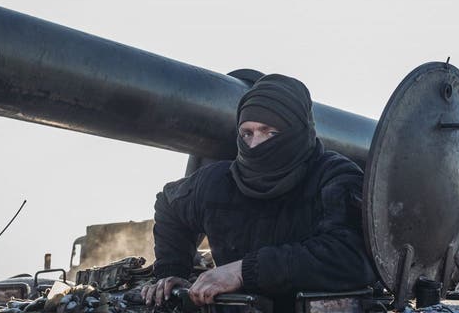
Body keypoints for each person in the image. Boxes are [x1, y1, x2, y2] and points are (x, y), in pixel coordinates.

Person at [141, 74, 376, 311]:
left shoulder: (335, 177)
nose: (255, 145)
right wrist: (173, 272)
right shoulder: (218, 182)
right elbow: (169, 205)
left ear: (297, 130)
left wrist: (244, 271)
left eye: (269, 132)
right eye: (247, 133)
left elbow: (352, 257)